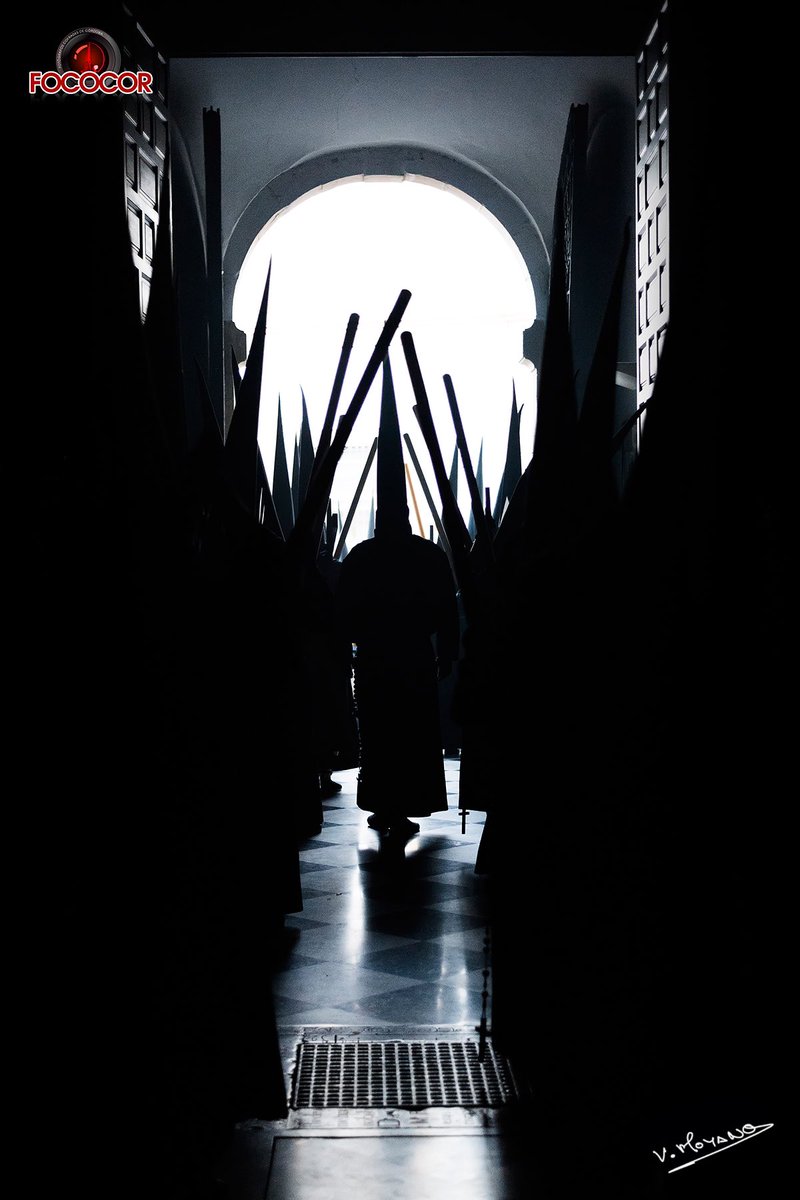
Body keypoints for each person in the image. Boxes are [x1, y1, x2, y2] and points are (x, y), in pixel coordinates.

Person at [336, 356, 459, 837]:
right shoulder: (425, 555)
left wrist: (346, 650)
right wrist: (445, 652)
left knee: (388, 734)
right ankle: (400, 803)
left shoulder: (363, 555)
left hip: (379, 659)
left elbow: (343, 613)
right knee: (403, 734)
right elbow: (446, 608)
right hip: (408, 657)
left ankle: (389, 805)